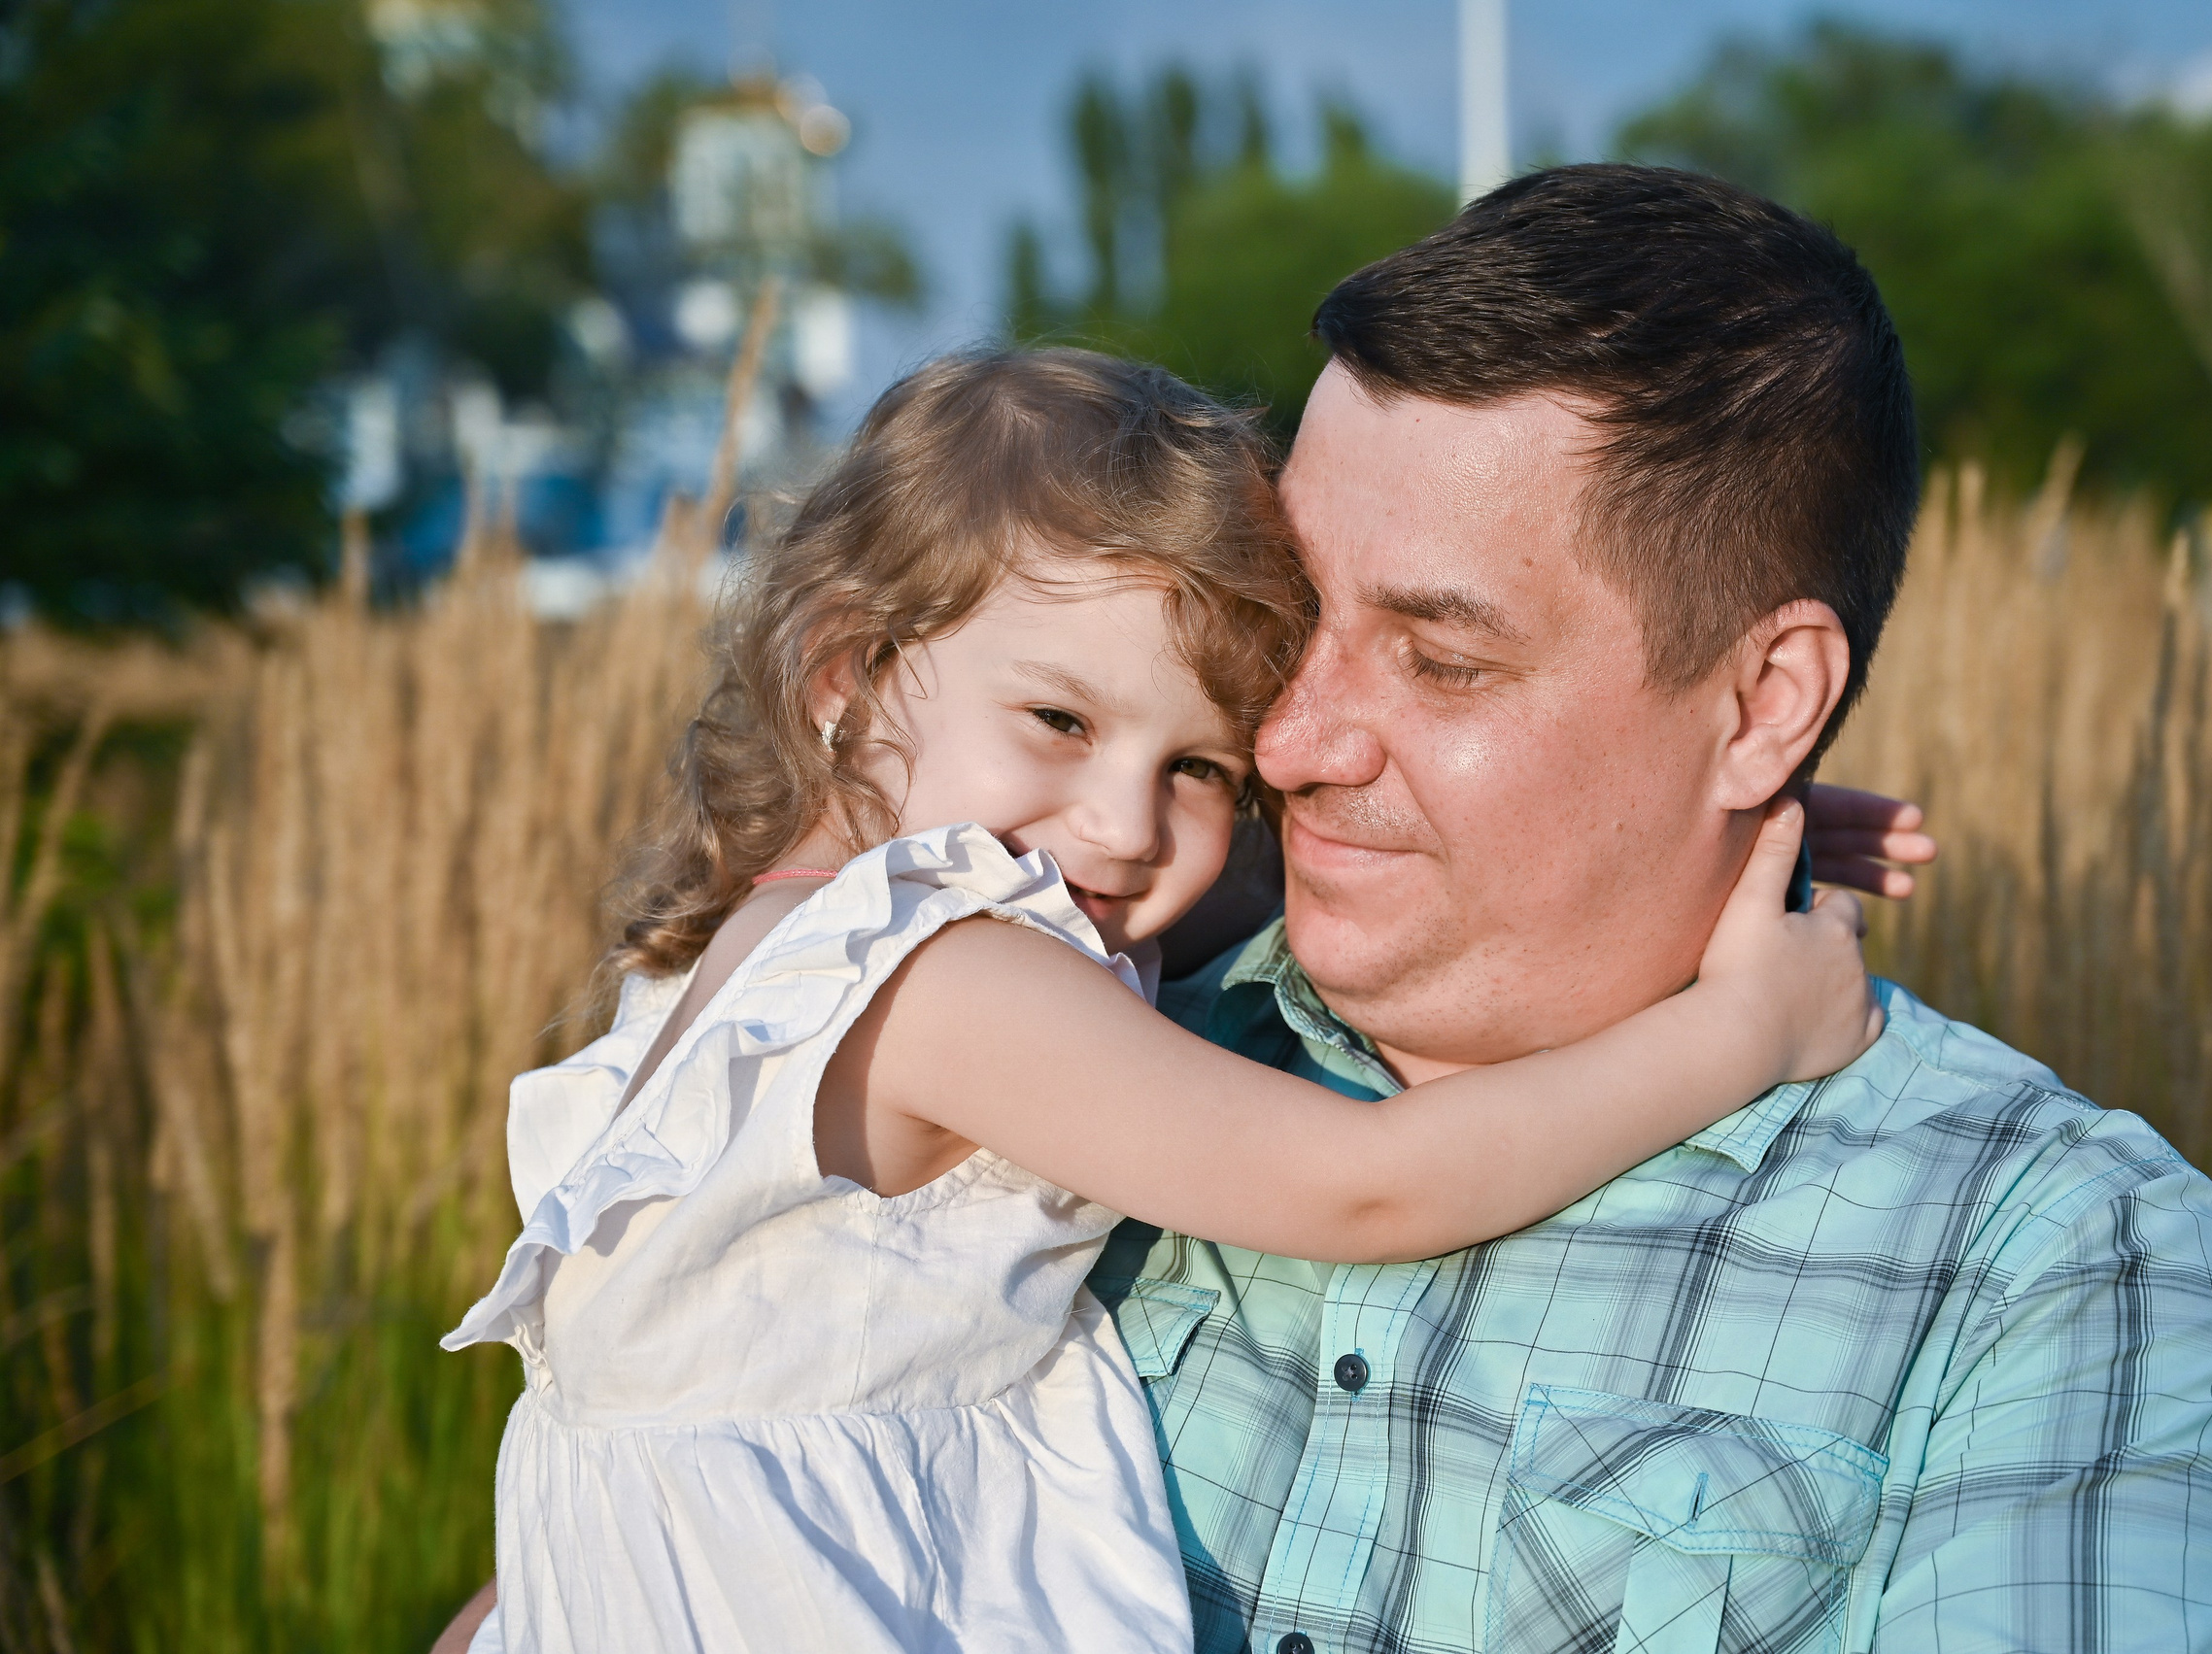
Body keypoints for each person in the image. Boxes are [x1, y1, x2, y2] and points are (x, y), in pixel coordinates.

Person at [429, 349, 1910, 1654]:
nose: (1128, 829)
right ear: (847, 671)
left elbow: (1338, 893)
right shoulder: (950, 977)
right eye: (1059, 721)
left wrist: (1659, 812)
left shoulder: (774, 938)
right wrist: (1740, 1033)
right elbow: (1363, 1189)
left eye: (1199, 769)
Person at [1094, 165, 2212, 1653]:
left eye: (1447, 664)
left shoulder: (2050, 1267)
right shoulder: (1087, 1040)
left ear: (1763, 704)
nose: (1290, 743)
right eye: (1286, 622)